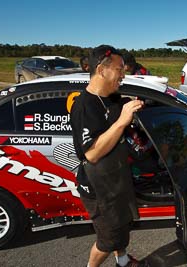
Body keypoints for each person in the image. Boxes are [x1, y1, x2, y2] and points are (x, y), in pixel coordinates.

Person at [70, 45, 149, 267]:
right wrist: (122, 121)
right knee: (107, 239)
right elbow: (92, 153)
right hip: (97, 189)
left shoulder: (114, 98)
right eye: (119, 68)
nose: (123, 74)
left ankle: (122, 261)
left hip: (116, 180)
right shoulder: (84, 106)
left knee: (121, 227)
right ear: (102, 70)